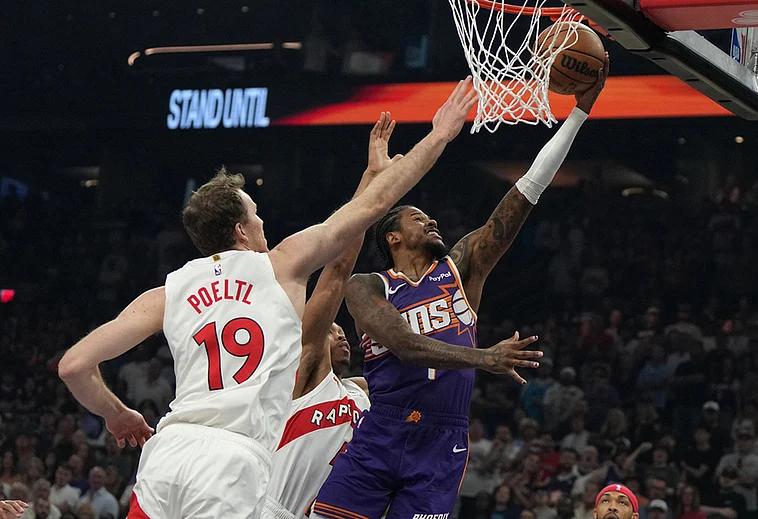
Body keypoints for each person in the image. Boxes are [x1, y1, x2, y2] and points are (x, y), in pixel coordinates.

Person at [57, 77, 480, 519]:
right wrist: (439, 135)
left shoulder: (168, 290)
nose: (263, 224)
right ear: (241, 230)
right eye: (257, 217)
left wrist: (117, 415)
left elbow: (73, 366)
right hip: (230, 464)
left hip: (166, 455)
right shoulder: (281, 265)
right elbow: (370, 211)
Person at [312, 58, 610, 519]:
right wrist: (483, 358)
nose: (431, 220)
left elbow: (525, 193)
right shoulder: (367, 286)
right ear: (392, 236)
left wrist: (579, 115)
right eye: (418, 218)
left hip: (441, 439)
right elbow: (402, 344)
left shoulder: (460, 267)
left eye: (431, 217)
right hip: (380, 433)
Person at [264, 115, 397, 519]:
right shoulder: (302, 376)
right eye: (331, 328)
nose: (340, 335)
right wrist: (372, 178)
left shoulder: (360, 393)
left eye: (342, 330)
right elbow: (338, 267)